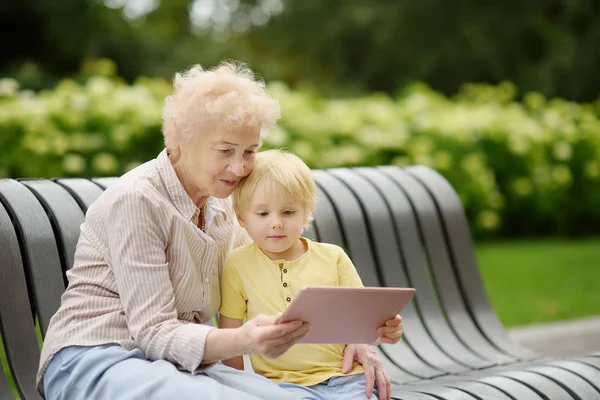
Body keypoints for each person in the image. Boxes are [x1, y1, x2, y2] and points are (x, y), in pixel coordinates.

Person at [36, 61, 393, 400]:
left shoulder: (223, 206)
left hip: (177, 365)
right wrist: (244, 340)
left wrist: (355, 334)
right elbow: (155, 332)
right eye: (225, 150)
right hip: (99, 358)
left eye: (250, 151)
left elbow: (277, 268)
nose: (238, 167)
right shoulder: (137, 201)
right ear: (183, 140)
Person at [219, 149, 404, 400]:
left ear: (305, 213)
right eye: (263, 214)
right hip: (281, 386)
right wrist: (237, 391)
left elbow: (364, 322)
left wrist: (387, 328)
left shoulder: (333, 257)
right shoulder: (237, 264)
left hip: (346, 378)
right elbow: (231, 339)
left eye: (288, 212)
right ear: (241, 218)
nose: (276, 223)